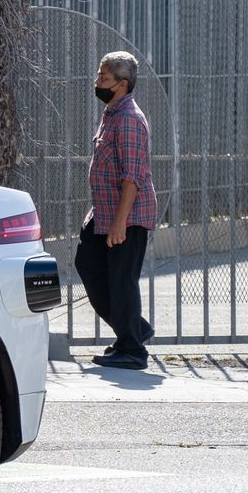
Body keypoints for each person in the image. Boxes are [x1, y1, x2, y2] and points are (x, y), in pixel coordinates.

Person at [74, 51, 158, 370]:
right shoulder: (111, 113)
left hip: (127, 217)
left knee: (122, 281)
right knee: (89, 265)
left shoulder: (129, 119)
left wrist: (120, 222)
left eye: (104, 78)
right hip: (103, 214)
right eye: (99, 76)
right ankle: (133, 330)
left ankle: (133, 350)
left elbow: (132, 176)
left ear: (121, 84)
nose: (97, 82)